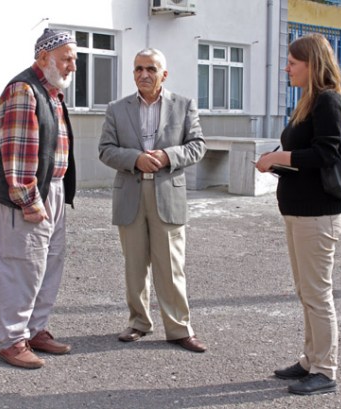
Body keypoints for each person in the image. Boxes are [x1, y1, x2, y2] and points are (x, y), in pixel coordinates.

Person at [255, 33, 341, 395]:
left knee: (317, 293)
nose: (287, 69)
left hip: (317, 214)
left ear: (312, 64)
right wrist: (274, 163)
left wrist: (277, 157)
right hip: (299, 211)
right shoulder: (309, 102)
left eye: (293, 63)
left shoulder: (328, 102)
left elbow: (327, 154)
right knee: (306, 290)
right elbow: (306, 158)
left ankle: (325, 370)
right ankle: (311, 360)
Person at [98, 48, 207, 353]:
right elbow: (105, 149)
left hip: (167, 193)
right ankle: (138, 322)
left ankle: (179, 328)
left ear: (164, 74)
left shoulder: (183, 106)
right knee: (134, 265)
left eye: (151, 69)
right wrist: (135, 159)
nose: (143, 74)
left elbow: (198, 146)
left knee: (171, 266)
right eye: (138, 69)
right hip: (131, 192)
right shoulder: (117, 109)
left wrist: (167, 156)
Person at [0, 28, 77, 369]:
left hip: (52, 189)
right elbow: (17, 151)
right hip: (28, 193)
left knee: (47, 264)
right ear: (44, 57)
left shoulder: (51, 93)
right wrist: (28, 199)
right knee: (22, 265)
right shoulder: (24, 90)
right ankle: (11, 340)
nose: (72, 66)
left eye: (74, 60)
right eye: (66, 59)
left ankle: (35, 329)